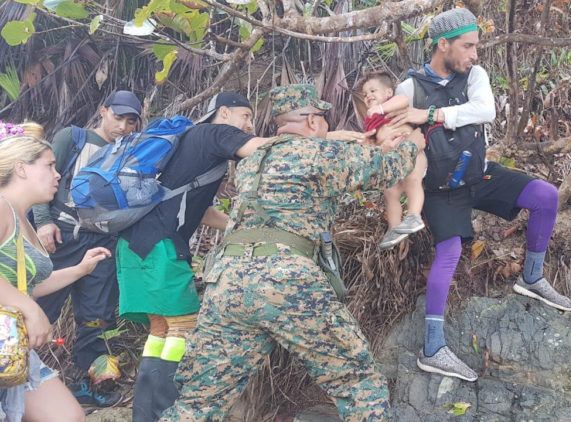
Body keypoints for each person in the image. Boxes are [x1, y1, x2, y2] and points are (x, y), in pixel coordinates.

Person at [160, 84, 425, 421]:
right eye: (324, 119)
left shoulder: (253, 160)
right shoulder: (315, 153)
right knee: (357, 380)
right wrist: (412, 146)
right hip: (286, 280)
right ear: (313, 121)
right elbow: (386, 169)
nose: (327, 126)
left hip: (227, 284)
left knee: (199, 401)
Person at [389, 8, 571, 382]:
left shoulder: (475, 75)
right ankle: (433, 348)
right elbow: (397, 140)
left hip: (479, 173)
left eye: (477, 45)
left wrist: (431, 116)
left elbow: (485, 110)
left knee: (545, 196)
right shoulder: (408, 88)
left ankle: (533, 278)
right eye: (468, 46)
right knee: (451, 251)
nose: (475, 53)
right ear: (443, 44)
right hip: (440, 189)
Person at [118, 92, 270, 422]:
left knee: (159, 328)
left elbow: (199, 211)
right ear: (225, 112)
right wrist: (320, 139)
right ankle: (168, 411)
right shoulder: (215, 133)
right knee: (183, 326)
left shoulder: (190, 141)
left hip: (133, 244)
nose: (249, 125)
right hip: (161, 247)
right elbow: (264, 148)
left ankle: (146, 415)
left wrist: (237, 227)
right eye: (245, 116)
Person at [32, 90, 142, 406]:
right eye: (118, 117)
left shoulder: (130, 152)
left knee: (98, 316)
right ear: (103, 110)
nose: (122, 126)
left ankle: (91, 387)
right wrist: (42, 221)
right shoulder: (73, 137)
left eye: (130, 121)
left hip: (103, 239)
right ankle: (10, 370)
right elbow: (43, 180)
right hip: (61, 233)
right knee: (40, 304)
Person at [0, 122, 111, 422]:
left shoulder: (20, 216)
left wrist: (80, 269)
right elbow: (24, 297)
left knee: (67, 416)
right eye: (49, 166)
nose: (58, 174)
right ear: (22, 169)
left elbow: (27, 285)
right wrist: (31, 310)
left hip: (9, 342)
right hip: (9, 335)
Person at [355, 71, 428, 250]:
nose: (369, 96)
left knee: (412, 181)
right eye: (365, 95)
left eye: (373, 91)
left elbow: (403, 99)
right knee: (390, 192)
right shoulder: (371, 120)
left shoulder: (393, 105)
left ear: (388, 93)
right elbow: (373, 141)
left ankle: (413, 216)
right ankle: (394, 229)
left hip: (412, 151)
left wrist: (381, 109)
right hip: (391, 161)